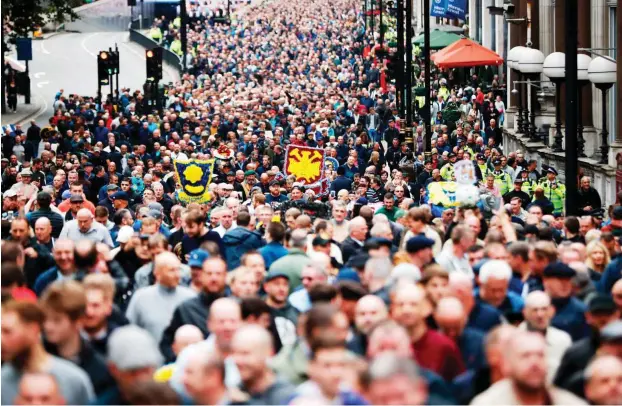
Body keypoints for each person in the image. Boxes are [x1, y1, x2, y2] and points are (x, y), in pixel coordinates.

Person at [1, 300, 95, 405]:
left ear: (33, 329)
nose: (1, 340)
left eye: (7, 331)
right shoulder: (2, 383)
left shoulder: (74, 381)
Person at [40, 280, 115, 396]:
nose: (48, 326)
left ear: (78, 321)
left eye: (57, 320)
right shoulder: (36, 359)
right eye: (46, 319)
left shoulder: (99, 370)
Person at [391, 283, 465, 381]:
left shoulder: (443, 345)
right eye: (400, 305)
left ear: (426, 308)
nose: (406, 310)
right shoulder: (386, 345)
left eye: (413, 304)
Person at [159, 256, 228, 362]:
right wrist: (181, 363)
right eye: (209, 273)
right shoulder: (186, 309)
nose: (214, 278)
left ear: (225, 276)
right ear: (201, 276)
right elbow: (166, 344)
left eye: (218, 274)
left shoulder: (236, 308)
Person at [125, 252, 196, 343]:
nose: (177, 275)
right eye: (171, 270)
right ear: (157, 273)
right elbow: (130, 331)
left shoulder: (190, 297)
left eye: (178, 270)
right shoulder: (141, 297)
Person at [96, 325, 163, 404]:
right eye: (133, 372)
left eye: (146, 370)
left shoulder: (172, 400)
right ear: (113, 369)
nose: (141, 379)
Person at [231, 324, 295, 404]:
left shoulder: (285, 396)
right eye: (234, 353)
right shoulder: (233, 394)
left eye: (245, 353)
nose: (237, 360)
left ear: (268, 353)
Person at [519, 291, 572, 381]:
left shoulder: (563, 340)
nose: (540, 315)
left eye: (544, 309)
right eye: (535, 310)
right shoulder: (514, 340)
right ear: (525, 313)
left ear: (552, 311)